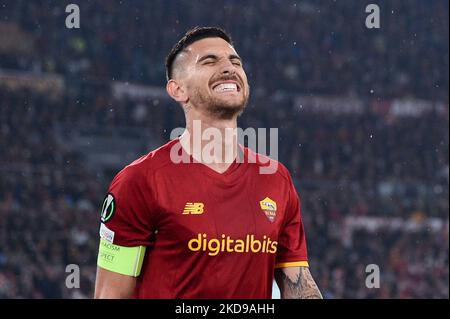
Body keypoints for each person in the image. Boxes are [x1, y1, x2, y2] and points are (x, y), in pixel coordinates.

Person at [94, 26, 322, 299]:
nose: (228, 68)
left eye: (235, 61)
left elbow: (299, 285)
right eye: (209, 61)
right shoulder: (140, 181)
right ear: (177, 89)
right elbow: (111, 294)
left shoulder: (276, 179)